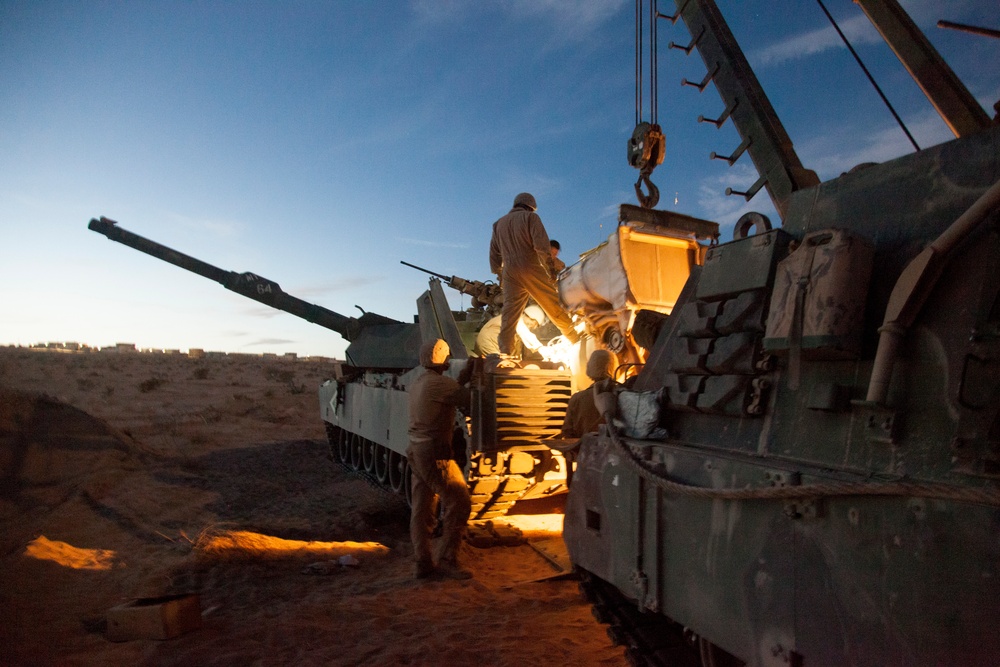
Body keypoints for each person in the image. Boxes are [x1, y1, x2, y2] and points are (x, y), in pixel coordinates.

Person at [407, 339, 474, 580]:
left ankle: (422, 563)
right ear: (444, 361)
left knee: (422, 509)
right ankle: (447, 560)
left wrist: (461, 380)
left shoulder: (420, 382)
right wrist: (471, 377)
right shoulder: (440, 384)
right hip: (435, 454)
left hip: (416, 450)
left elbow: (448, 393)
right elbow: (469, 399)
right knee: (459, 502)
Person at [489, 193, 578, 356]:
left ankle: (505, 353)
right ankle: (576, 339)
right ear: (531, 207)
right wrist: (551, 271)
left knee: (509, 317)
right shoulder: (531, 218)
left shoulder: (498, 225)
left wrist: (500, 275)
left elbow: (494, 257)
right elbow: (542, 248)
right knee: (552, 305)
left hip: (509, 272)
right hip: (529, 266)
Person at [558, 349, 617, 487]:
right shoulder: (623, 396)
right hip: (616, 469)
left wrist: (569, 476)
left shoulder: (577, 399)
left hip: (586, 468)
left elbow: (568, 439)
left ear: (589, 368)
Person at [473, 305, 547, 358]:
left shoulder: (517, 323)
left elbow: (516, 347)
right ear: (528, 316)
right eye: (530, 324)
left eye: (533, 326)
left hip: (492, 343)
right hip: (488, 342)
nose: (531, 327)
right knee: (500, 366)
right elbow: (525, 333)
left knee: (503, 363)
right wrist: (540, 348)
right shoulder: (516, 319)